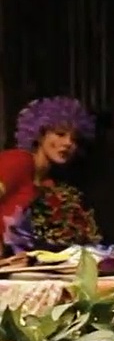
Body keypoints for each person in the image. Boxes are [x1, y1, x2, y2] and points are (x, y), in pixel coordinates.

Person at [0, 96, 96, 256]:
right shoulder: (19, 161)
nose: (68, 143)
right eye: (60, 134)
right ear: (39, 135)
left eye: (74, 139)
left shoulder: (50, 186)